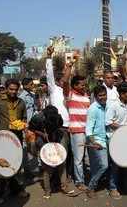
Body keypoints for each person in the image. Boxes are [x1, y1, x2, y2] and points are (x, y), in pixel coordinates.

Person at [26, 106, 75, 199]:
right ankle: (48, 191)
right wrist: (42, 134)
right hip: (41, 138)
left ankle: (64, 186)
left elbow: (59, 128)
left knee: (61, 162)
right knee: (47, 166)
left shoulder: (58, 118)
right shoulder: (37, 118)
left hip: (56, 136)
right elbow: (31, 129)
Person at [0, 78, 29, 203]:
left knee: (15, 164)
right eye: (11, 89)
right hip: (2, 138)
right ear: (6, 88)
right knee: (1, 164)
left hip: (16, 138)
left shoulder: (21, 102)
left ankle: (16, 189)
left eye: (16, 89)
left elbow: (24, 118)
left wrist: (24, 125)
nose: (13, 92)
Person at [85, 85, 121, 200]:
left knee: (114, 164)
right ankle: (90, 187)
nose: (102, 97)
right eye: (99, 95)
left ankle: (112, 187)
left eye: (104, 94)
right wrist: (94, 142)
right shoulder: (93, 108)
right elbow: (88, 130)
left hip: (110, 138)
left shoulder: (109, 106)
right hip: (98, 141)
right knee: (104, 165)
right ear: (95, 97)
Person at [62, 59, 90, 193]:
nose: (84, 87)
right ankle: (79, 182)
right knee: (78, 158)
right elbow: (65, 82)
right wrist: (69, 68)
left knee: (85, 158)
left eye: (85, 85)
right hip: (76, 132)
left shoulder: (87, 96)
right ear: (74, 86)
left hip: (88, 131)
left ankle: (83, 177)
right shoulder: (70, 95)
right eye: (82, 85)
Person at [45, 47, 73, 181]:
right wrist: (49, 57)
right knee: (56, 153)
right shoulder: (53, 89)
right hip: (56, 127)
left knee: (67, 153)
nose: (64, 80)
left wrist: (69, 66)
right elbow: (49, 74)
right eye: (62, 79)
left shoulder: (69, 92)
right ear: (58, 80)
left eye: (66, 79)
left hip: (69, 127)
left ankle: (66, 176)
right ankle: (55, 179)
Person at [105, 82, 127, 194]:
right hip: (114, 138)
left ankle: (124, 186)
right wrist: (123, 127)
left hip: (124, 137)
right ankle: (113, 188)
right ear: (121, 94)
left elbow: (126, 119)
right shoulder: (113, 105)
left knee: (126, 163)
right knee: (115, 165)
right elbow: (108, 121)